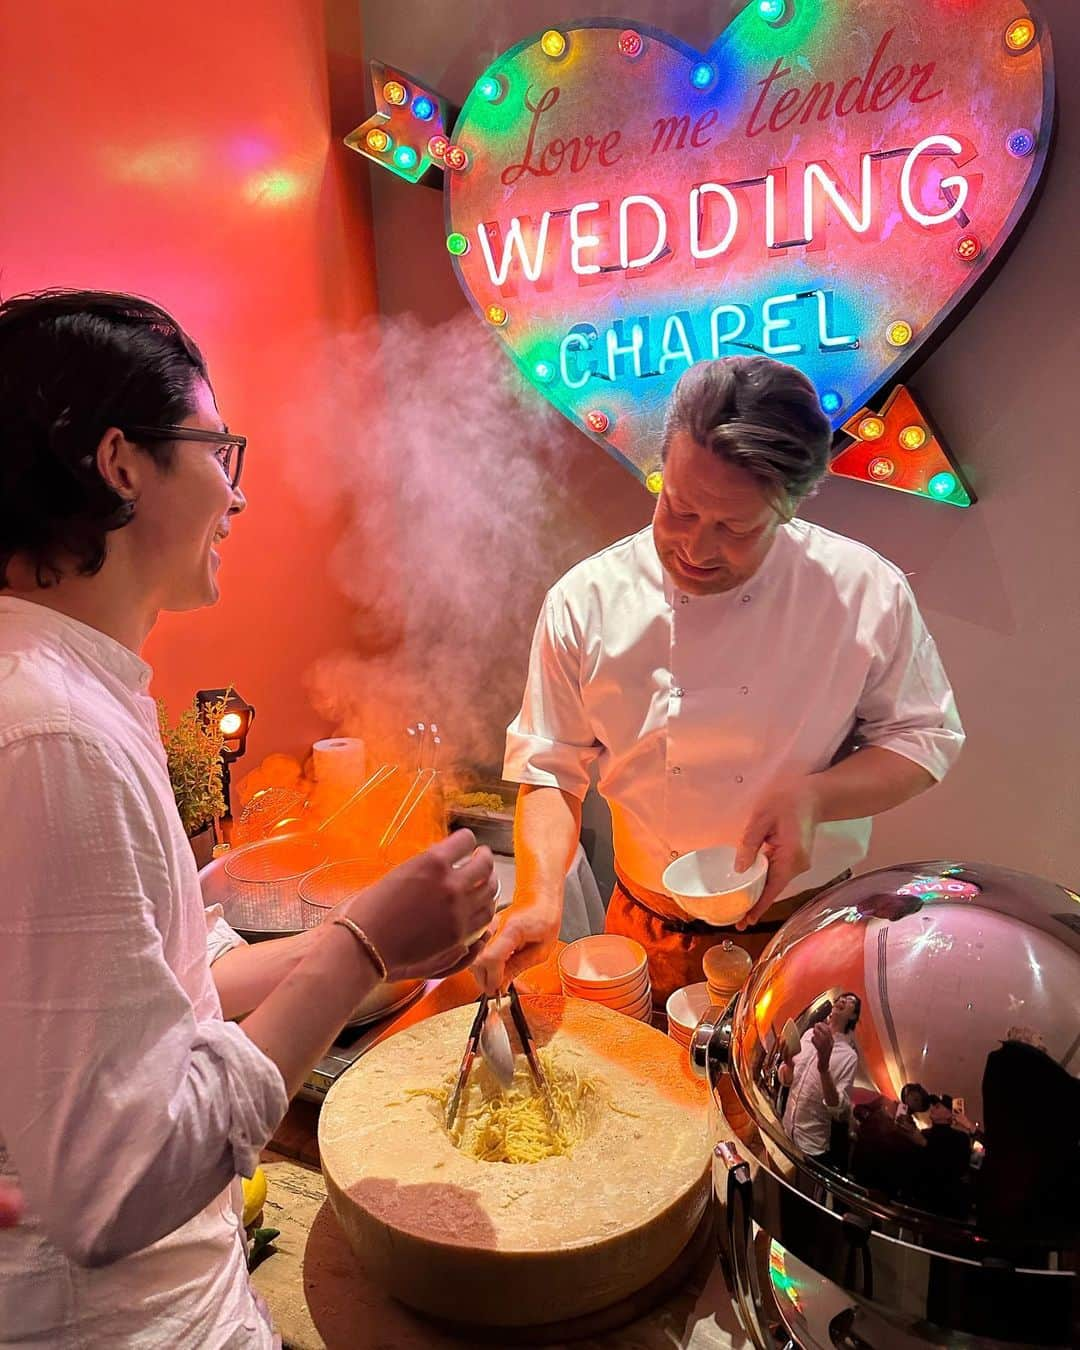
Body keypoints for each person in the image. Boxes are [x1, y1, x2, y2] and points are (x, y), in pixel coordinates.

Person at [0, 289, 497, 1346]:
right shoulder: (51, 735)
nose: (235, 493)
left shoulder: (71, 691)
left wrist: (379, 941)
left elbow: (171, 992)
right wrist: (361, 948)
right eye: (217, 447)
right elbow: (113, 1188)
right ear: (121, 462)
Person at [476, 356, 964, 1002]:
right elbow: (549, 769)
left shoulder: (864, 592)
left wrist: (816, 798)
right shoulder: (585, 601)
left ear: (788, 508)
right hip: (641, 936)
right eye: (677, 508)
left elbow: (924, 738)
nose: (695, 549)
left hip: (806, 932)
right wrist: (538, 900)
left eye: (733, 529)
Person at [779, 993, 861, 1164]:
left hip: (812, 1148)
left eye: (850, 1001)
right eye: (840, 998)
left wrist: (824, 1068)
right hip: (784, 1131)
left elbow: (839, 1111)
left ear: (853, 1015)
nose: (842, 1000)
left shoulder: (849, 1056)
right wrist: (788, 1065)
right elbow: (787, 1081)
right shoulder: (809, 1034)